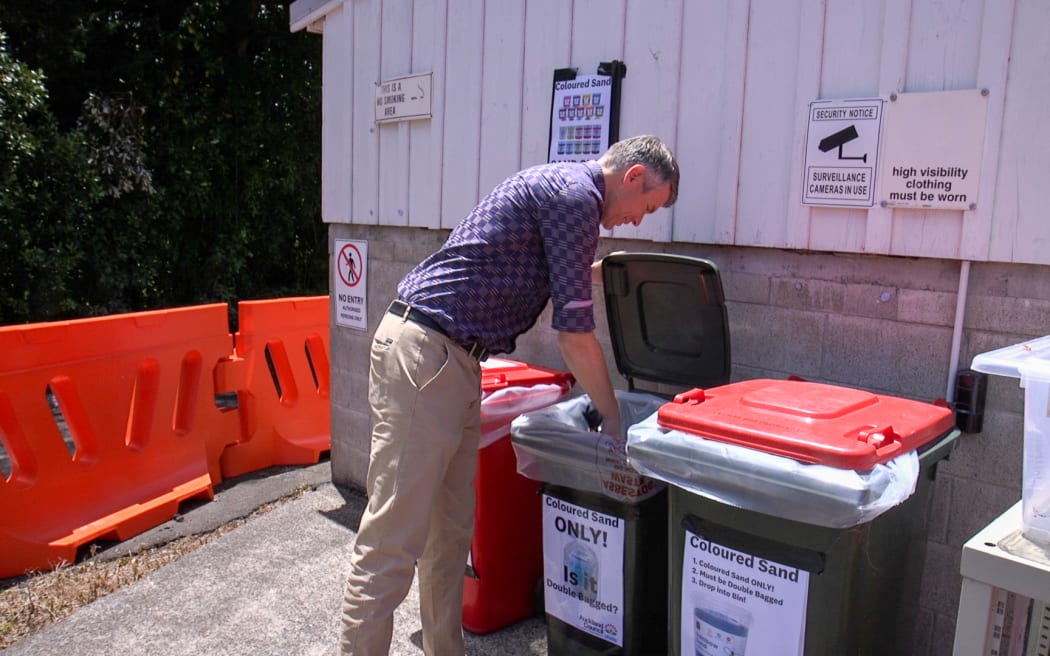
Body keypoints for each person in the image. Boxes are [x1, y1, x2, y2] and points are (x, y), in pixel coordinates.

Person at [339, 134, 680, 655]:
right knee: (392, 537)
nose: (638, 220)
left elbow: (549, 266)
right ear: (633, 176)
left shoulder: (567, 190)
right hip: (427, 353)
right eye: (646, 207)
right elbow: (573, 332)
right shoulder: (576, 197)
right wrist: (612, 417)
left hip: (453, 359)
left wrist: (617, 272)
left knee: (450, 534)